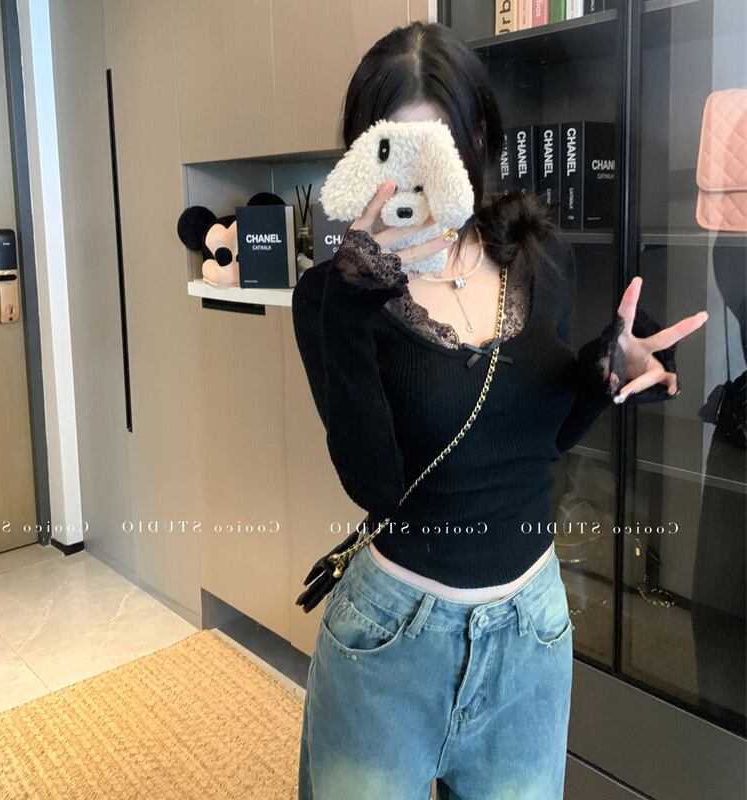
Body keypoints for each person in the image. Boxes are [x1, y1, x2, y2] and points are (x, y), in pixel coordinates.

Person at [291, 20, 707, 800]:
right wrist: (347, 316)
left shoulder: (537, 259)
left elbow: (543, 444)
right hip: (392, 639)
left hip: (532, 633)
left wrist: (605, 375)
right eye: (392, 151)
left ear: (478, 140)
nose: (414, 182)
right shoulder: (329, 297)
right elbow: (376, 488)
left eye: (439, 149)